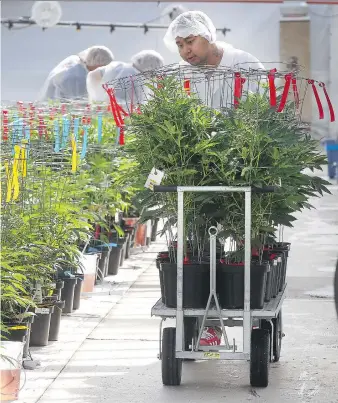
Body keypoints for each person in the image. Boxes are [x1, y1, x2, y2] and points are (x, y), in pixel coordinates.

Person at [163, 11, 265, 347]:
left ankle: (254, 316)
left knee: (250, 235)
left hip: (241, 167)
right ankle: (210, 325)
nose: (185, 51)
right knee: (202, 242)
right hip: (199, 171)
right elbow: (167, 127)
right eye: (179, 44)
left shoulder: (243, 64)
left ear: (208, 35)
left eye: (190, 41)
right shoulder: (180, 76)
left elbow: (260, 115)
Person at [86, 50, 164, 105]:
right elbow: (137, 106)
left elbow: (93, 75)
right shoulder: (135, 77)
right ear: (150, 68)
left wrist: (97, 97)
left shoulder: (120, 66)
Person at [39, 46, 114, 101]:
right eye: (103, 68)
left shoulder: (77, 62)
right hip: (56, 112)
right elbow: (79, 105)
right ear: (96, 64)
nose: (103, 72)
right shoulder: (77, 78)